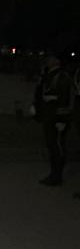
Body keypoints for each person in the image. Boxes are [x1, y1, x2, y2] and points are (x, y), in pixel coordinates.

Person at [35, 51, 74, 186]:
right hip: (50, 116)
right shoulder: (48, 74)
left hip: (56, 117)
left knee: (56, 146)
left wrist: (62, 119)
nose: (48, 60)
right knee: (52, 146)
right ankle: (54, 174)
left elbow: (65, 98)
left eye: (51, 58)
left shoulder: (61, 76)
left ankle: (56, 176)